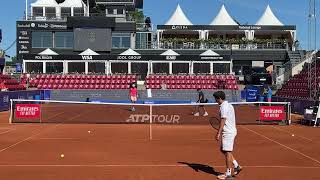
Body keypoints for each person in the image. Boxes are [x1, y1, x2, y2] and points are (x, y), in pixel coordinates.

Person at [213, 91, 242, 180]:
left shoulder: (223, 107)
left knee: (228, 152)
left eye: (216, 99)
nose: (215, 100)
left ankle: (228, 174)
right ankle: (237, 166)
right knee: (223, 150)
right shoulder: (229, 105)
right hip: (231, 131)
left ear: (219, 98)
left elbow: (223, 120)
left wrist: (218, 132)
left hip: (228, 132)